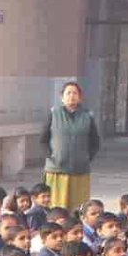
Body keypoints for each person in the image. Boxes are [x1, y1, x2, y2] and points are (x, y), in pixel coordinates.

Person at [40, 82, 100, 211]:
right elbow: (43, 140)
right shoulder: (54, 114)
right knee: (56, 208)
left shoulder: (87, 116)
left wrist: (86, 158)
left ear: (80, 97)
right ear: (62, 97)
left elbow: (95, 142)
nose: (71, 96)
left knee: (78, 209)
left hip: (80, 171)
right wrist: (51, 156)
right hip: (56, 170)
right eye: (68, 93)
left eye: (75, 93)